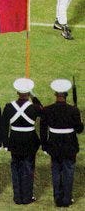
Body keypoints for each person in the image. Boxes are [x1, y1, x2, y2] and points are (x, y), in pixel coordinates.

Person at [40, 79, 84, 208]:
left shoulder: (48, 109)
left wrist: (44, 145)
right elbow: (80, 130)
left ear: (55, 94)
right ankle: (67, 199)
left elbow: (43, 129)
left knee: (56, 170)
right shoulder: (73, 110)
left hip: (54, 143)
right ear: (66, 95)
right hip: (69, 143)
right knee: (68, 170)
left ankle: (57, 198)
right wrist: (79, 117)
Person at [2, 78, 42, 204]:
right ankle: (27, 197)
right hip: (30, 140)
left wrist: (5, 142)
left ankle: (17, 197)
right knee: (29, 169)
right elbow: (43, 110)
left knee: (15, 168)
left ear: (17, 92)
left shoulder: (9, 107)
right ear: (28, 93)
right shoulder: (34, 108)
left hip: (14, 140)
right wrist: (34, 96)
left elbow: (3, 126)